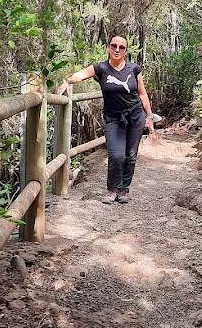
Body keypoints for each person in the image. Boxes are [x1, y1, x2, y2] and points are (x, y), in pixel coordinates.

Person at [57, 36, 155, 204]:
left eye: (121, 47)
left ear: (125, 51)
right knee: (116, 155)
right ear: (109, 47)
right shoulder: (101, 68)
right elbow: (79, 75)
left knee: (130, 155)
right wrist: (66, 80)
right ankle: (112, 189)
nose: (117, 49)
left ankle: (123, 189)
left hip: (135, 117)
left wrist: (150, 116)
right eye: (114, 46)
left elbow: (142, 93)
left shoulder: (134, 69)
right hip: (113, 118)